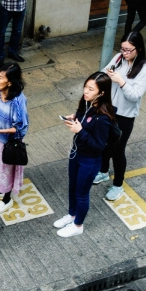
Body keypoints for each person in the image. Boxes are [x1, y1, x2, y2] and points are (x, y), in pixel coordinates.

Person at [54, 72, 115, 238]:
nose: (85, 91)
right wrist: (74, 118)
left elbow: (99, 146)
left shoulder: (103, 117)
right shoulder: (86, 104)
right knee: (72, 188)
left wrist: (80, 131)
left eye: (90, 89)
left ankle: (78, 224)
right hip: (76, 154)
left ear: (101, 93)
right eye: (85, 87)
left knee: (81, 193)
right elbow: (82, 117)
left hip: (89, 160)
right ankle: (72, 215)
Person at [93, 31, 146, 200]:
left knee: (118, 150)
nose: (125, 53)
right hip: (108, 109)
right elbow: (105, 71)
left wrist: (121, 81)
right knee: (104, 144)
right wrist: (105, 76)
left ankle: (118, 185)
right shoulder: (119, 58)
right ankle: (103, 171)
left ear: (138, 49)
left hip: (125, 116)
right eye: (123, 49)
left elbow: (135, 96)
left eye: (129, 50)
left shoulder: (144, 71)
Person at [0, 63, 29, 214]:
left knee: (7, 171)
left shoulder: (17, 101)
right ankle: (0, 191)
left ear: (10, 82)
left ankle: (7, 199)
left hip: (10, 143)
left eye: (0, 77)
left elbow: (20, 127)